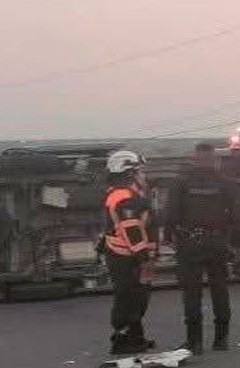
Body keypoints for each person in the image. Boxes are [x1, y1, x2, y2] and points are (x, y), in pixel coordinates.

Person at [165, 143, 240, 355]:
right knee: (220, 290)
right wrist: (238, 243)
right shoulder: (227, 183)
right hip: (218, 242)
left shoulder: (180, 183)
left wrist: (169, 236)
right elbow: (238, 216)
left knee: (191, 293)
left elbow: (171, 215)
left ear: (194, 158)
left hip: (189, 242)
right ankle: (221, 340)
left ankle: (194, 342)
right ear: (214, 160)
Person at [102, 150, 158, 355]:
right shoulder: (124, 197)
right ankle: (123, 339)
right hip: (127, 257)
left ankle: (135, 337)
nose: (143, 176)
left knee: (135, 297)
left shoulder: (127, 194)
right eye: (139, 171)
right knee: (130, 297)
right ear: (128, 173)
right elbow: (131, 229)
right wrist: (144, 258)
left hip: (127, 256)